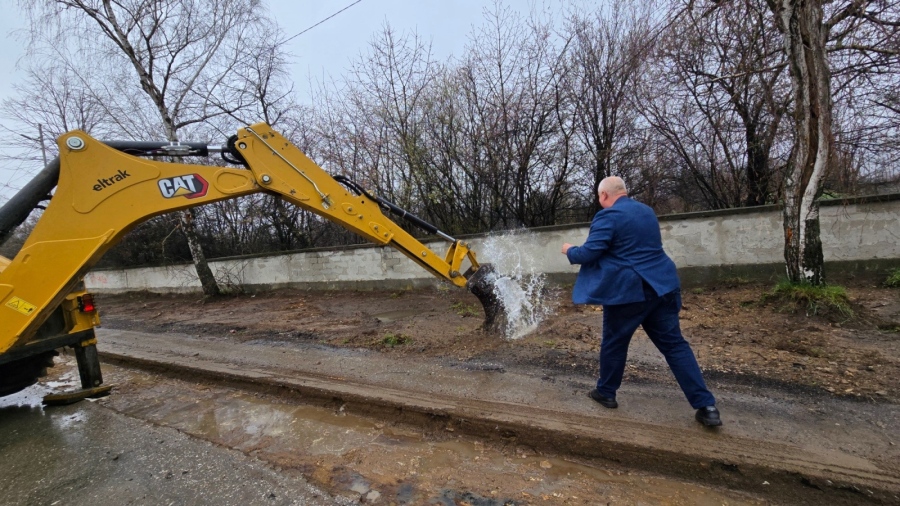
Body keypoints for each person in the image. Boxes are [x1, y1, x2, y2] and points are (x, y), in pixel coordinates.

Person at [561, 176, 721, 427]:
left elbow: (590, 252)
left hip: (630, 293)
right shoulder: (647, 212)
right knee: (675, 346)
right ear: (623, 192)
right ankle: (706, 406)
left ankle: (606, 393)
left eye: (599, 197)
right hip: (663, 287)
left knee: (614, 343)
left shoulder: (608, 216)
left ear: (604, 196)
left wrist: (569, 249)